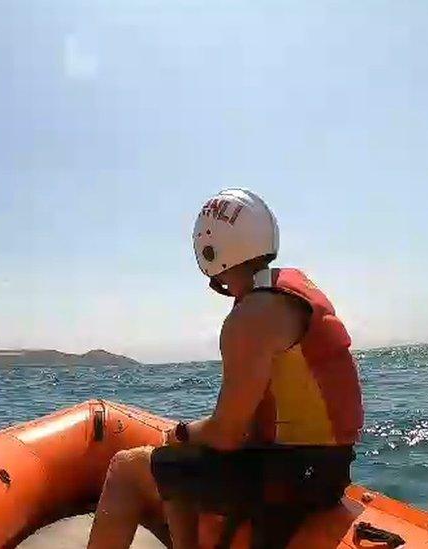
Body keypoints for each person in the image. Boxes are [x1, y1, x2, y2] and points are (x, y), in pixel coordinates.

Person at [87, 188, 363, 549]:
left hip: (291, 478)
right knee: (177, 466)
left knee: (127, 466)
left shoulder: (250, 316)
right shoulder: (292, 291)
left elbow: (226, 434)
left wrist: (181, 432)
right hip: (330, 472)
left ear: (208, 250)